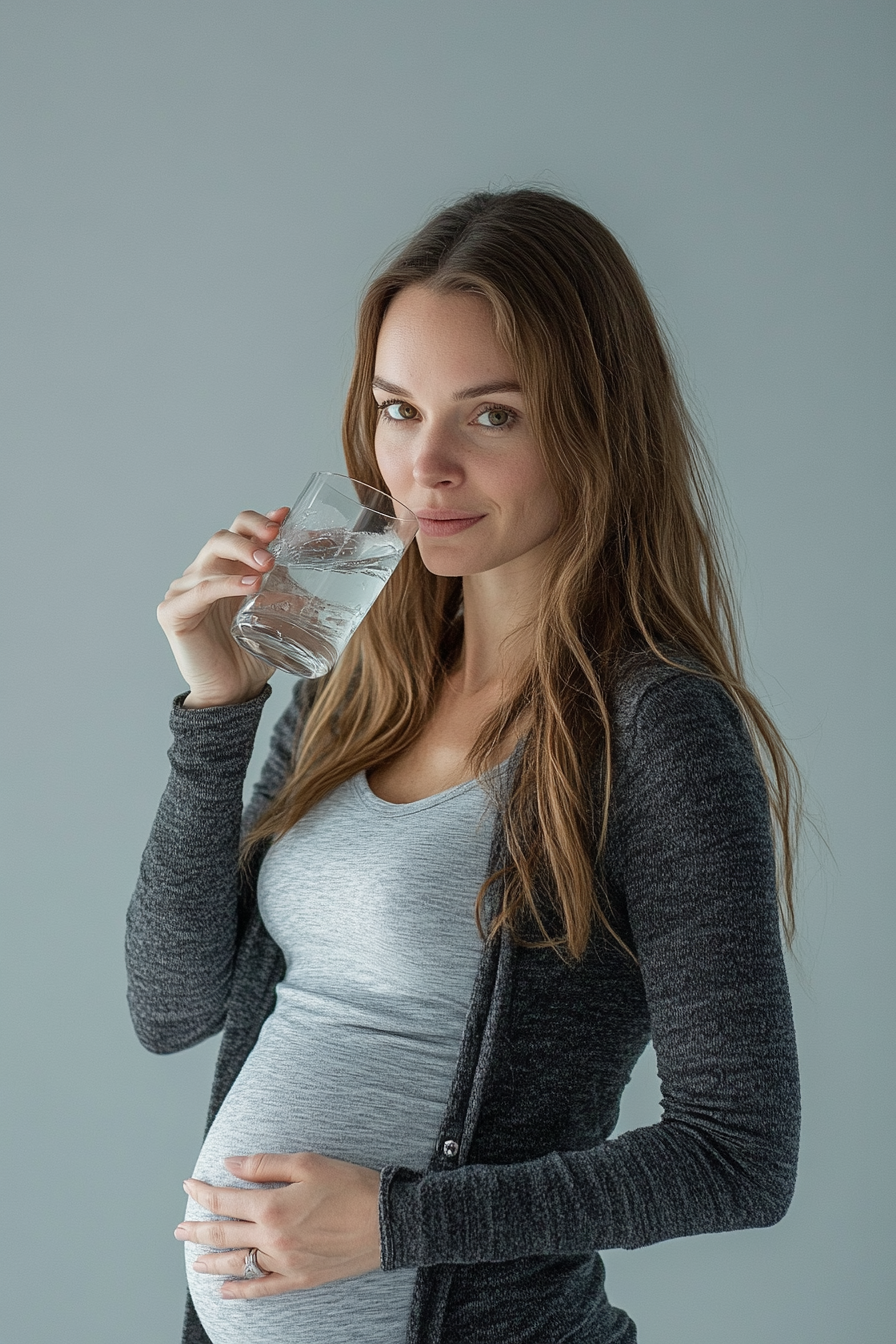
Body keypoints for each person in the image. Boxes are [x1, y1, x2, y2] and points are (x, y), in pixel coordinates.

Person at [126, 187, 801, 1344]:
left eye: (488, 418)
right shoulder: (350, 681)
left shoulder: (655, 729)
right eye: (397, 409)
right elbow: (171, 1007)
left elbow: (737, 1157)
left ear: (593, 424)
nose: (422, 466)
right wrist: (216, 711)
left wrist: (397, 1225)